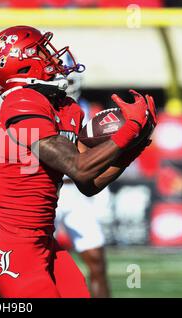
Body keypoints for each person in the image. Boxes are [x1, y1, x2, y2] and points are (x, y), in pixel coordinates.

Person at [0, 25, 157, 298]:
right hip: (12, 244)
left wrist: (134, 147)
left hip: (43, 241)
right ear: (22, 67)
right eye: (41, 54)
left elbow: (88, 182)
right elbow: (78, 166)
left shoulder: (67, 108)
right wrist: (129, 129)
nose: (55, 59)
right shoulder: (21, 101)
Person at [55, 72, 111, 297]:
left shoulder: (89, 111)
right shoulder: (40, 109)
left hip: (75, 191)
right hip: (45, 189)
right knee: (27, 265)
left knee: (97, 260)